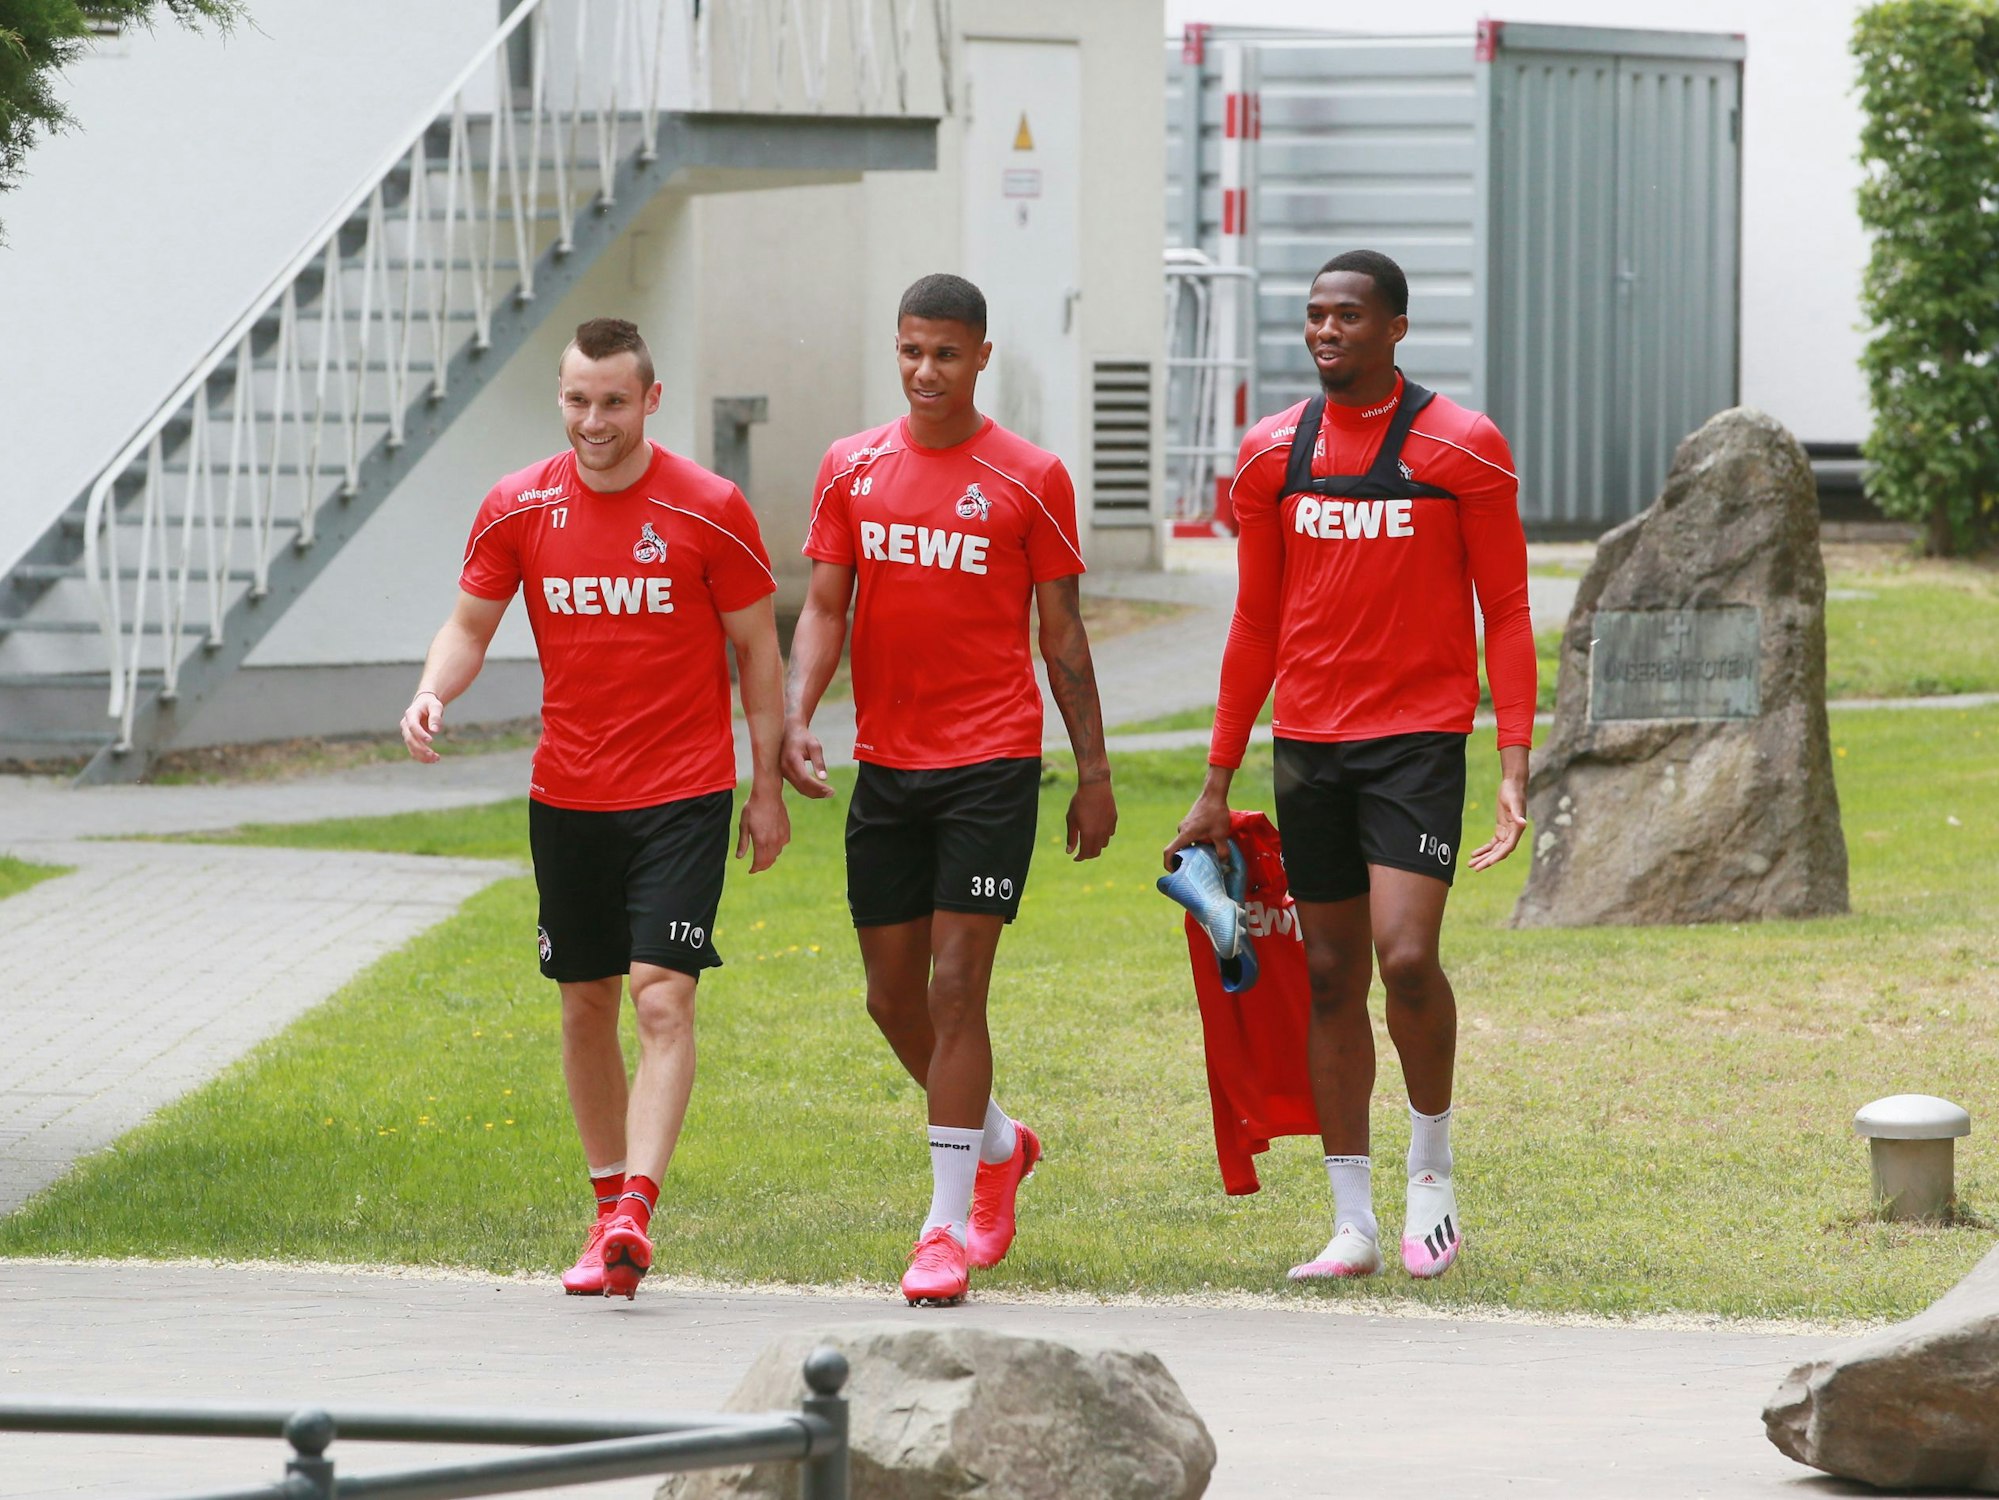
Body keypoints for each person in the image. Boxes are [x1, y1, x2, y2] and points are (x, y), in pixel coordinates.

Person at [400, 316, 789, 1300]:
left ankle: (634, 1214)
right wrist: (433, 689)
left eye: (614, 401)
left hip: (683, 790)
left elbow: (758, 655)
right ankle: (605, 1203)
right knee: (585, 1002)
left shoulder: (709, 510)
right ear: (561, 397)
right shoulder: (516, 507)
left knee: (663, 992)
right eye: (578, 399)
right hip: (567, 794)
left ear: (650, 400)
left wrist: (769, 785)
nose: (594, 420)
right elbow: (468, 623)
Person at [1166, 249, 1536, 1282]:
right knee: (1328, 973)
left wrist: (1512, 756)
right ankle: (1351, 1223)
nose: (1327, 332)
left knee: (1404, 958)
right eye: (1315, 317)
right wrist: (1215, 778)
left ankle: (1432, 1181)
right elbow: (1252, 620)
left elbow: (1505, 611)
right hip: (1310, 746)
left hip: (1415, 744)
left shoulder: (1463, 446)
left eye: (1349, 317)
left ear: (1395, 329)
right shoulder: (1269, 453)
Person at [782, 273, 1117, 1306]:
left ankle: (940, 1227)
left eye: (945, 354)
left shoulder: (1028, 478)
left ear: (981, 357)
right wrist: (796, 717)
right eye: (910, 351)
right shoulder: (852, 467)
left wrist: (1094, 774)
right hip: (889, 766)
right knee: (892, 998)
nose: (926, 371)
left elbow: (1060, 635)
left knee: (956, 988)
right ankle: (1001, 1142)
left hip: (991, 765)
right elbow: (825, 609)